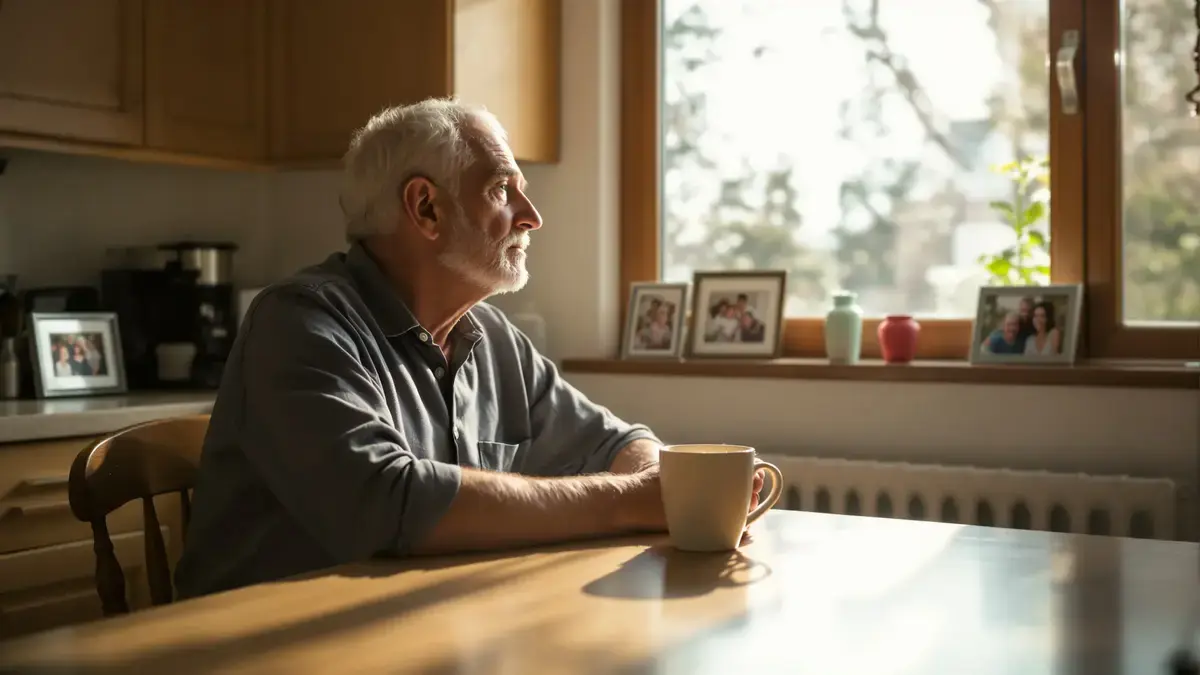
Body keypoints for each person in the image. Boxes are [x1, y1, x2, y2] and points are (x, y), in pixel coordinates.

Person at [174, 99, 765, 599]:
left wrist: (673, 489)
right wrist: (636, 500)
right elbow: (391, 502)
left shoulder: (491, 336)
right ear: (425, 208)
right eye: (503, 190)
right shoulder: (298, 323)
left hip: (414, 627)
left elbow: (613, 442)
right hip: (266, 649)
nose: (532, 217)